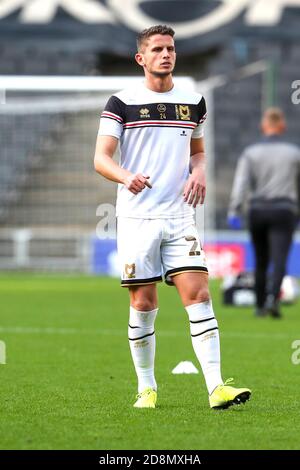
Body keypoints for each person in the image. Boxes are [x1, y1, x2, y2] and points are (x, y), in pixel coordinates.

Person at [94, 25, 251, 409]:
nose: (166, 54)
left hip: (180, 215)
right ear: (141, 58)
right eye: (158, 49)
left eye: (171, 49)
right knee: (144, 304)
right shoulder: (121, 102)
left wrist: (199, 171)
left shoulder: (193, 100)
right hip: (137, 218)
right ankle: (146, 388)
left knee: (199, 295)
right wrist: (126, 176)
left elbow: (197, 152)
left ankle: (216, 387)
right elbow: (100, 159)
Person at [228, 108, 300, 318]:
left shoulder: (251, 153)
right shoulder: (294, 154)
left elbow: (240, 184)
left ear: (263, 127)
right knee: (279, 259)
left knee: (260, 260)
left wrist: (235, 209)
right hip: (284, 210)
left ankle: (259, 305)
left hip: (258, 210)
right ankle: (272, 300)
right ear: (282, 127)